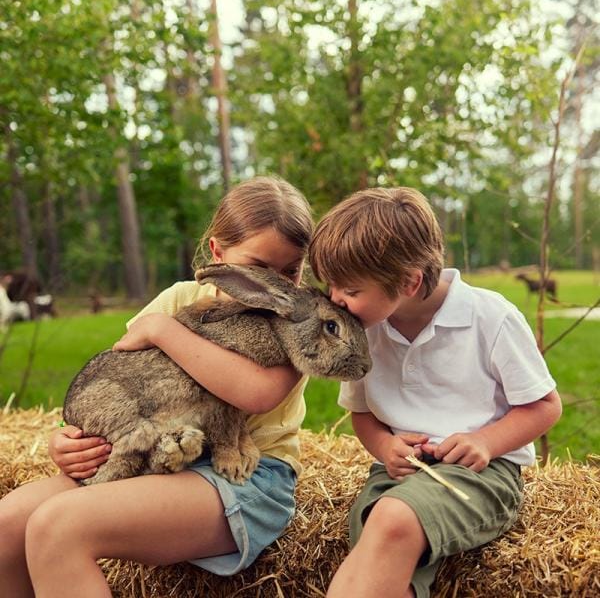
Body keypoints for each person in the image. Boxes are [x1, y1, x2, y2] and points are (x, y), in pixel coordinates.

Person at [0, 176, 314, 598]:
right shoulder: (180, 298)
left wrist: (166, 332)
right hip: (154, 454)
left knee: (59, 528)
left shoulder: (299, 323)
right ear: (218, 253)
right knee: (8, 526)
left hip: (246, 477)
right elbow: (117, 379)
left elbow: (254, 393)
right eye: (258, 269)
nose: (273, 287)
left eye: (290, 271)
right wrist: (70, 441)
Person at [308, 186, 562, 598]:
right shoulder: (362, 331)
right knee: (374, 554)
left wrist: (485, 441)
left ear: (409, 282)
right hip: (399, 473)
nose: (335, 299)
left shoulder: (491, 317)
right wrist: (385, 447)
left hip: (482, 473)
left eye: (350, 290)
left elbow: (545, 406)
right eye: (330, 286)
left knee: (391, 521)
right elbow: (362, 414)